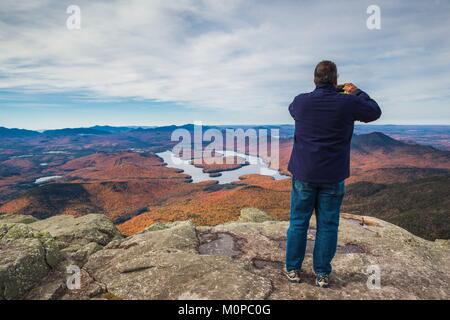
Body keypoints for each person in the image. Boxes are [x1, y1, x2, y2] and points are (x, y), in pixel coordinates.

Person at [285, 60, 382, 287]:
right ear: (337, 80)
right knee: (328, 225)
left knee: (298, 222)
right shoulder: (348, 103)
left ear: (314, 79)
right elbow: (374, 111)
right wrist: (355, 91)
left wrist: (328, 92)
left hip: (304, 174)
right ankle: (322, 273)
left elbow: (292, 109)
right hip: (332, 175)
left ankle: (292, 269)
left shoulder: (301, 102)